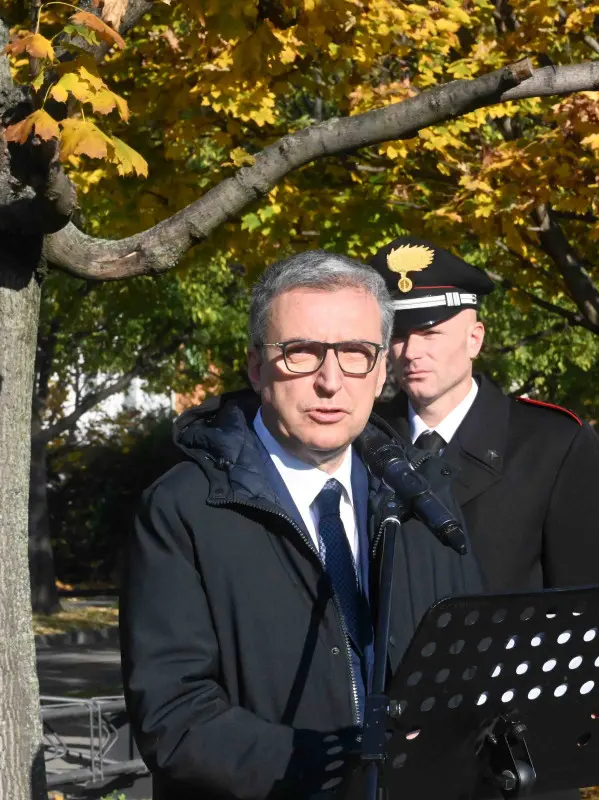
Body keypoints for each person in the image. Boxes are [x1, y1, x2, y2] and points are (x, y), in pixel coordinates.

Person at [120, 250, 484, 800]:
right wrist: (336, 763)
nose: (330, 381)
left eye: (356, 353)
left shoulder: (420, 493)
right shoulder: (184, 508)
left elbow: (465, 660)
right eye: (302, 354)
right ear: (256, 365)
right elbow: (173, 716)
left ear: (382, 368)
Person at [371, 236, 599, 594]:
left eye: (430, 334)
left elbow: (590, 602)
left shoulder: (552, 445)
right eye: (398, 335)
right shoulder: (365, 438)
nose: (411, 352)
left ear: (474, 340)